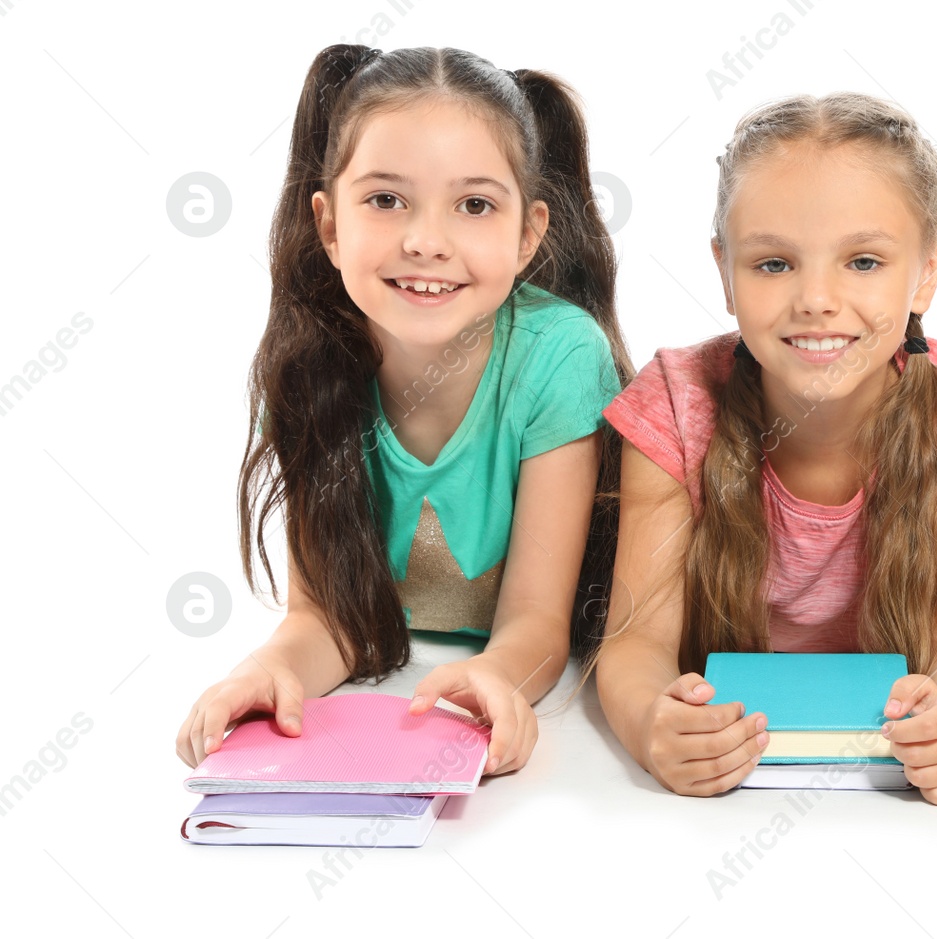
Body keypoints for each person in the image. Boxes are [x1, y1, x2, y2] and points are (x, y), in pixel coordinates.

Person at [175, 45, 630, 777]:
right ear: (327, 225)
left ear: (527, 234)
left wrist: (497, 676)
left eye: (474, 205)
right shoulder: (306, 368)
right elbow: (326, 619)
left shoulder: (560, 355)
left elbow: (538, 622)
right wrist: (267, 670)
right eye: (385, 200)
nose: (425, 241)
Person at [595, 93, 937, 802]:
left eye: (862, 261)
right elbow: (636, 643)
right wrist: (650, 725)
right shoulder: (677, 402)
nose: (817, 299)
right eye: (773, 264)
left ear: (928, 271)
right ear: (724, 269)